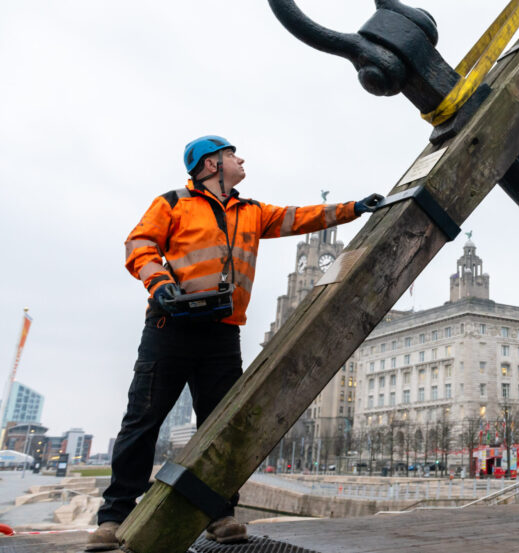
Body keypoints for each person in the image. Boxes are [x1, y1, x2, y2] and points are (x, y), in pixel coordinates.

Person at [86, 136, 382, 552]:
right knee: (143, 419)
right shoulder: (172, 203)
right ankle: (114, 516)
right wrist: (158, 282)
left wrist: (353, 209)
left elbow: (299, 218)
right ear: (211, 165)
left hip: (222, 332)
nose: (240, 159)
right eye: (231, 154)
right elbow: (139, 244)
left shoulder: (252, 212)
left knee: (225, 428)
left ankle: (220, 513)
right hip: (171, 326)